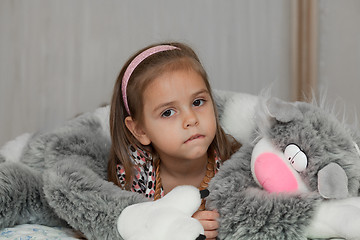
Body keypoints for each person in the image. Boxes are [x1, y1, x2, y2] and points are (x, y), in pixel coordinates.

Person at [107, 42, 241, 240]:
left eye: (198, 102)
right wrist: (181, 228)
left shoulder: (235, 166)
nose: (191, 119)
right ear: (140, 130)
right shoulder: (133, 177)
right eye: (168, 112)